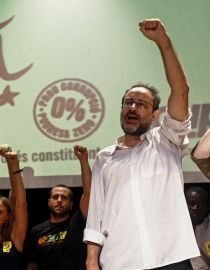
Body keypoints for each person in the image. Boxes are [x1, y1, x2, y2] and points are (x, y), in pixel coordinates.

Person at [84, 19, 200, 269]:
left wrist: (163, 42)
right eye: (128, 102)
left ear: (155, 114)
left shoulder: (168, 140)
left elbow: (180, 90)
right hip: (121, 261)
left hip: (171, 258)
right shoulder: (105, 158)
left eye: (141, 103)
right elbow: (96, 217)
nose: (133, 107)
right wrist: (92, 260)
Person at [25, 145, 91, 270]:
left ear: (71, 204)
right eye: (55, 197)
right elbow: (33, 264)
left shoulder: (77, 222)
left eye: (64, 198)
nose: (59, 201)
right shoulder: (37, 231)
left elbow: (88, 192)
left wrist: (83, 161)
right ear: (49, 202)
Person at [185, 186, 210, 270]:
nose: (195, 208)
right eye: (191, 203)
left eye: (200, 205)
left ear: (207, 208)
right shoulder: (173, 227)